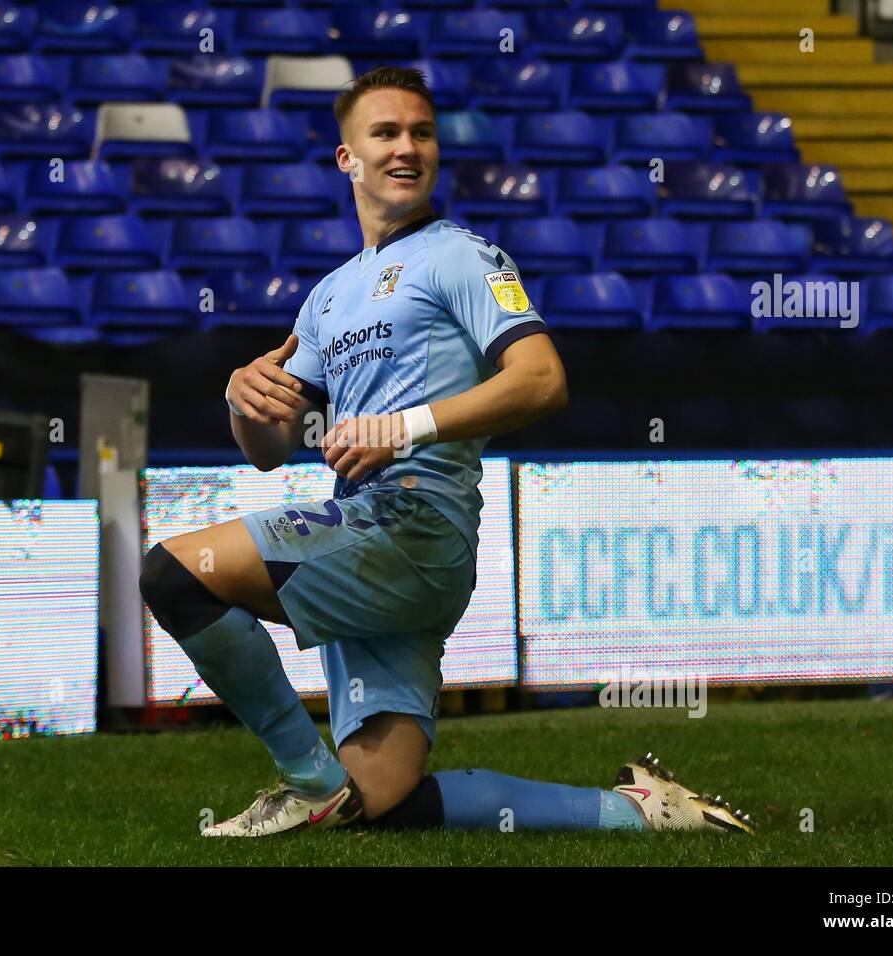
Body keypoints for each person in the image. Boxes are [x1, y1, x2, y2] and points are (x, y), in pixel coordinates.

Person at [140, 66, 754, 837]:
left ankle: (304, 782)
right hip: (367, 534)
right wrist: (241, 399)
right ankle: (639, 812)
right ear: (347, 159)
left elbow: (542, 380)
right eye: (385, 134)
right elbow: (266, 450)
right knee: (380, 804)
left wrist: (405, 427)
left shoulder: (463, 256)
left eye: (421, 133)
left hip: (412, 529)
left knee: (173, 572)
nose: (407, 148)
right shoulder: (329, 295)